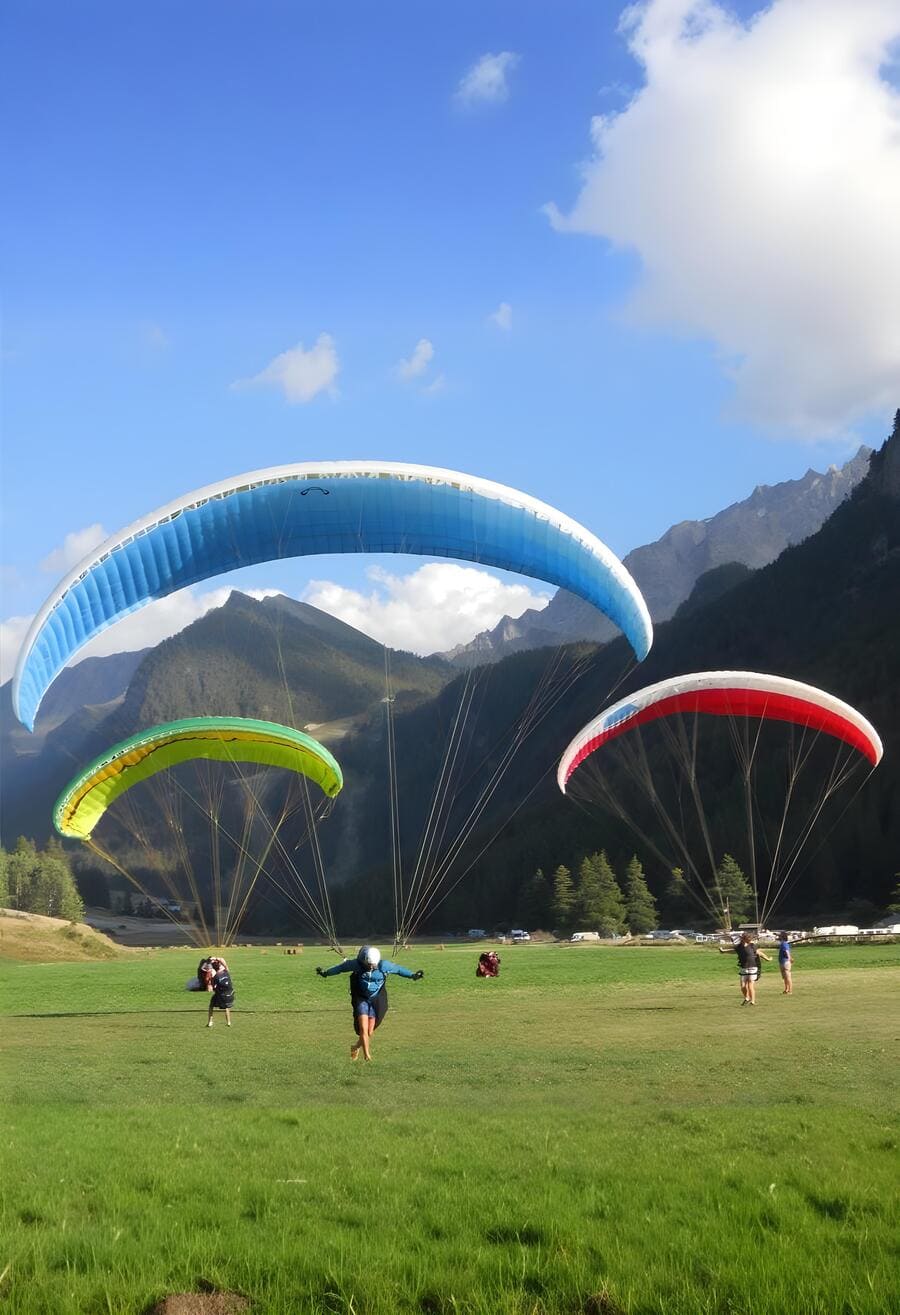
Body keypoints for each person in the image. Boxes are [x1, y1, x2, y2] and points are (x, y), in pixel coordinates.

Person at [316, 946, 423, 1060]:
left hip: (375, 999)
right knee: (363, 1029)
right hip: (361, 998)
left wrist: (413, 975)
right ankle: (367, 1056)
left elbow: (399, 970)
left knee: (369, 1032)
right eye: (369, 964)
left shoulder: (384, 966)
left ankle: (356, 1047)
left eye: (373, 965)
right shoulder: (356, 964)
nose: (371, 967)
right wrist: (326, 973)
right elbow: (340, 968)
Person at [719, 931, 771, 1005]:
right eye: (748, 938)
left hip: (753, 967)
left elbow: (760, 953)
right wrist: (723, 951)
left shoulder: (752, 946)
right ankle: (747, 998)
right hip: (743, 967)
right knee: (743, 986)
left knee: (750, 984)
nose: (750, 939)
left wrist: (767, 958)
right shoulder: (739, 947)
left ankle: (752, 1001)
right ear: (744, 939)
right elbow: (733, 951)